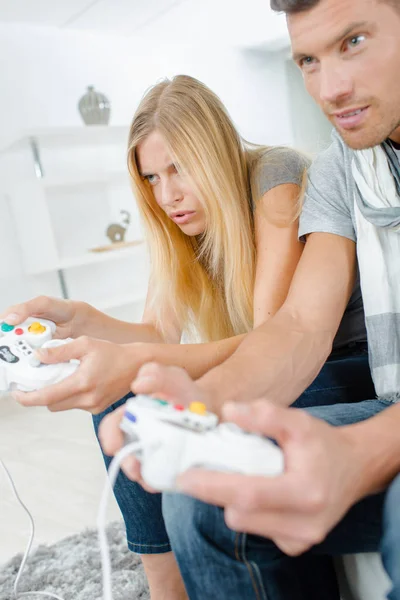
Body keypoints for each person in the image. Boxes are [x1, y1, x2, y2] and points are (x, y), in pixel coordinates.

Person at [1, 75, 375, 599]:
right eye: (151, 177)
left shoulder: (276, 177)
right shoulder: (182, 224)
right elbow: (156, 331)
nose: (166, 194)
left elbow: (273, 339)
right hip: (278, 361)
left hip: (336, 365)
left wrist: (134, 366)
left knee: (137, 393)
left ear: (214, 150)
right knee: (119, 401)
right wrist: (79, 319)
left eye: (179, 168)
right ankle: (165, 583)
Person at [99, 0, 400, 599]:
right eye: (308, 60)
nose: (331, 88)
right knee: (199, 495)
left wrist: (362, 450)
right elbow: (296, 326)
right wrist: (196, 405)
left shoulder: (281, 175)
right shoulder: (344, 167)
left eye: (355, 42)